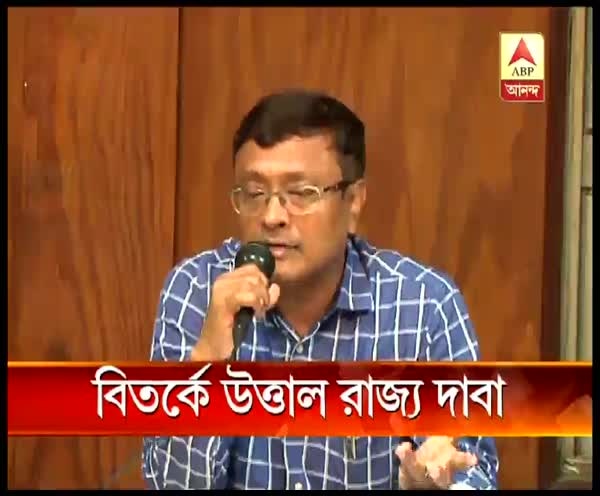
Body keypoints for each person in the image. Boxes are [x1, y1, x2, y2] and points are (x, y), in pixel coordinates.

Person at [141, 89, 499, 490]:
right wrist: (206, 364)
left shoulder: (423, 305)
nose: (272, 216)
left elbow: (473, 469)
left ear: (354, 201)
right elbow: (171, 485)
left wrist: (440, 484)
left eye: (300, 193)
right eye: (255, 194)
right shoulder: (196, 290)